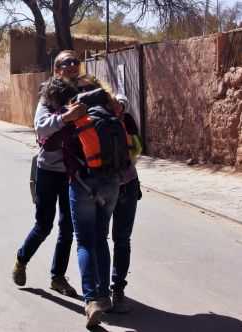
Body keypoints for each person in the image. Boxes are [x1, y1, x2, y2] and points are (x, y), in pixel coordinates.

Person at [12, 50, 87, 297]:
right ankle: (22, 259)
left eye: (76, 61)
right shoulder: (48, 97)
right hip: (48, 170)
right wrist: (67, 117)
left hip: (73, 172)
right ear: (57, 70)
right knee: (44, 225)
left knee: (68, 227)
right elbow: (41, 128)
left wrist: (120, 102)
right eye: (67, 62)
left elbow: (110, 102)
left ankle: (57, 277)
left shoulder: (87, 92)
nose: (73, 66)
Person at [60, 80, 131, 328]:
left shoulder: (76, 114)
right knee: (101, 238)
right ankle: (105, 295)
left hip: (82, 184)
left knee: (84, 242)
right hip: (111, 183)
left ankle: (91, 299)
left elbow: (57, 144)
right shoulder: (113, 112)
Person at [109, 94, 143, 313]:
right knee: (100, 240)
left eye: (120, 105)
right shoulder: (95, 122)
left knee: (120, 240)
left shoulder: (127, 123)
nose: (118, 108)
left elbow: (136, 151)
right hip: (106, 187)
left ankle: (116, 288)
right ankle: (103, 290)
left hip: (125, 185)